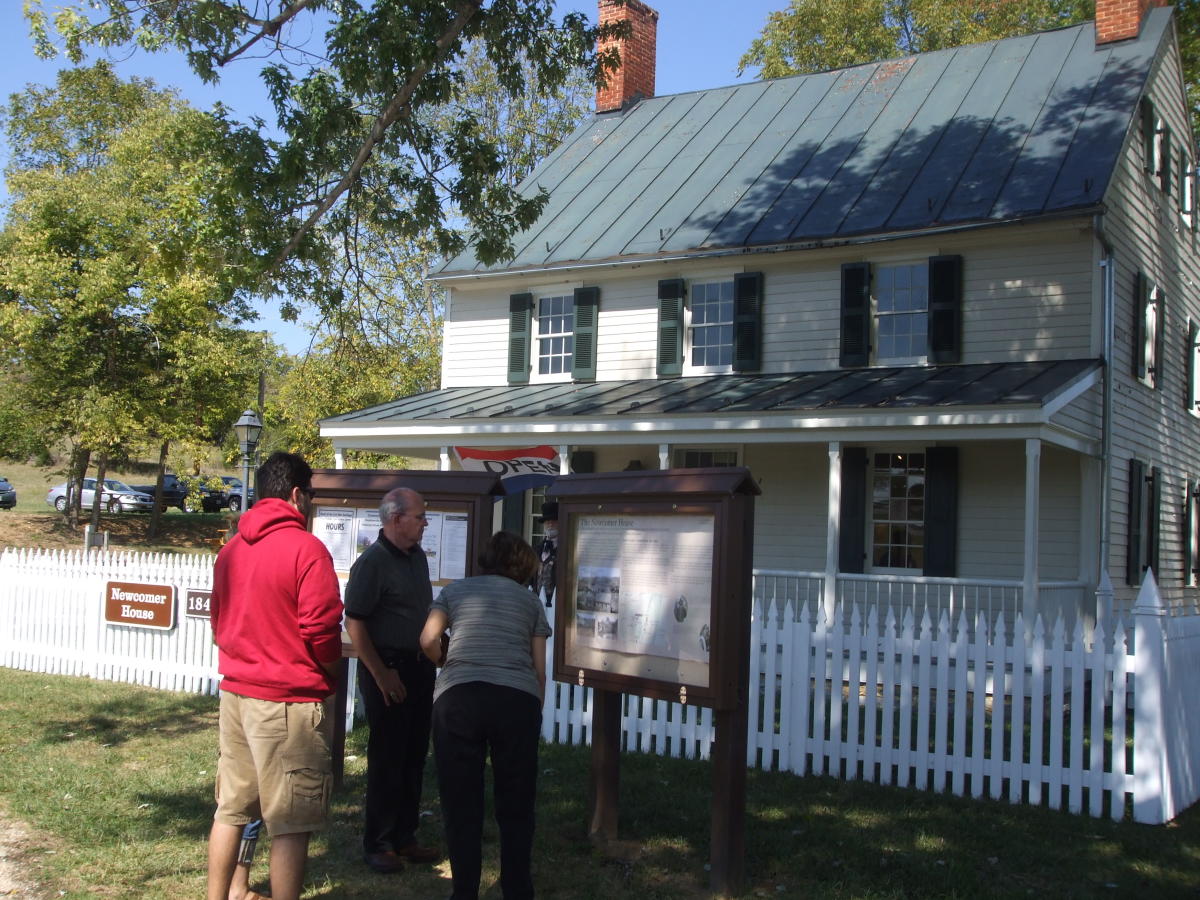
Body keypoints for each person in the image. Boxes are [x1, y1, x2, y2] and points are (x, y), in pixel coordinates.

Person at [206, 452, 343, 900]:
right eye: (311, 494)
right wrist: (328, 671)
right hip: (288, 701)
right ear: (297, 494)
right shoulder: (307, 549)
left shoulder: (231, 550)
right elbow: (321, 627)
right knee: (291, 820)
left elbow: (218, 618)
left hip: (236, 694)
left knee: (231, 809)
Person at [420, 531, 551, 900]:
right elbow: (539, 669)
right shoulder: (530, 603)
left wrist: (446, 664)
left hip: (458, 699)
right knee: (517, 801)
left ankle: (464, 891)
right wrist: (533, 705)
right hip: (515, 698)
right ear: (523, 565)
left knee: (461, 800)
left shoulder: (456, 591)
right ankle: (517, 889)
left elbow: (428, 638)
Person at [344, 487, 441, 873]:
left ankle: (405, 836)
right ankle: (379, 842)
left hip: (419, 667)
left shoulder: (416, 557)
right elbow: (355, 622)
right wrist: (380, 674)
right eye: (419, 516)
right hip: (388, 667)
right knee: (388, 757)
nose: (425, 522)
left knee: (415, 754)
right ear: (396, 519)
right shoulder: (373, 563)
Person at [536, 501, 558, 608]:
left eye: (553, 520)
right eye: (546, 521)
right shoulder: (537, 548)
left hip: (556, 604)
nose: (550, 524)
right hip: (537, 602)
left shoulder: (566, 548)